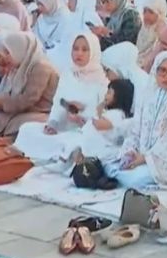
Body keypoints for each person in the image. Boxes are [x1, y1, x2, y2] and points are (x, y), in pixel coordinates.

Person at [106, 52, 167, 189]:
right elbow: (136, 129)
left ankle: (116, 176)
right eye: (162, 70)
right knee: (111, 162)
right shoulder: (148, 94)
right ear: (155, 70)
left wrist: (145, 158)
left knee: (133, 180)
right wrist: (131, 150)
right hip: (141, 155)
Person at [14, 33, 108, 162]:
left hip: (83, 132)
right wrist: (53, 123)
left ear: (93, 52)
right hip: (62, 128)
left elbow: (102, 116)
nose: (79, 53)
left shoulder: (101, 81)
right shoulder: (68, 74)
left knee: (73, 144)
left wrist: (81, 117)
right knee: (27, 129)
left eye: (85, 50)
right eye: (75, 49)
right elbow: (58, 102)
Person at [0, 31, 60, 139]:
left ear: (19, 49)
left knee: (16, 125)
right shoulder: (20, 66)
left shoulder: (41, 67)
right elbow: (10, 93)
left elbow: (27, 100)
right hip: (24, 111)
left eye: (8, 52)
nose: (6, 57)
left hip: (41, 112)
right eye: (5, 52)